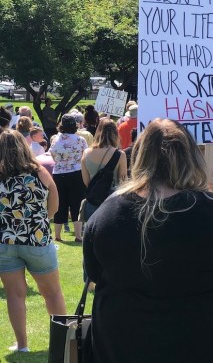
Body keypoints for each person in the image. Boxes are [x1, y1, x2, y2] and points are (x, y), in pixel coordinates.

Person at [83, 119, 213, 363]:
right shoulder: (211, 208)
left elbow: (93, 272)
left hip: (123, 342)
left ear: (140, 156)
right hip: (200, 342)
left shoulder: (107, 211)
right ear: (189, 157)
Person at [0, 130, 66, 353]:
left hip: (5, 242)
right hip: (37, 240)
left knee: (14, 294)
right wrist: (41, 220)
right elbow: (54, 208)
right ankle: (63, 343)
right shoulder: (39, 172)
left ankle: (22, 345)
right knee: (53, 293)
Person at [49, 114, 88, 242]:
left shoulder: (55, 139)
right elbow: (85, 156)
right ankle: (78, 235)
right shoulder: (80, 140)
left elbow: (53, 156)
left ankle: (57, 235)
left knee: (60, 203)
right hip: (76, 172)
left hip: (58, 173)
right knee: (76, 204)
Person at [81, 118, 128, 222]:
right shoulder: (120, 155)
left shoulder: (86, 153)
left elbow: (86, 181)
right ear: (115, 133)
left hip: (93, 200)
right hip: (112, 200)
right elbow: (123, 181)